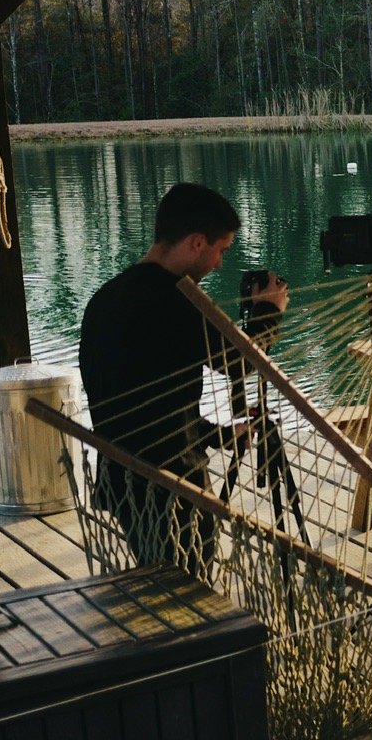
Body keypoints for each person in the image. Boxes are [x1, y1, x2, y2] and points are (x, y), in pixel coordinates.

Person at [79, 182, 287, 574]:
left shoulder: (104, 299)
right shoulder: (176, 302)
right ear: (196, 241)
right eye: (221, 250)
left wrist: (222, 435)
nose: (220, 264)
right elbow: (242, 362)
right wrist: (269, 313)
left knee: (159, 578)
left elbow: (137, 404)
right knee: (185, 592)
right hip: (172, 487)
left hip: (123, 478)